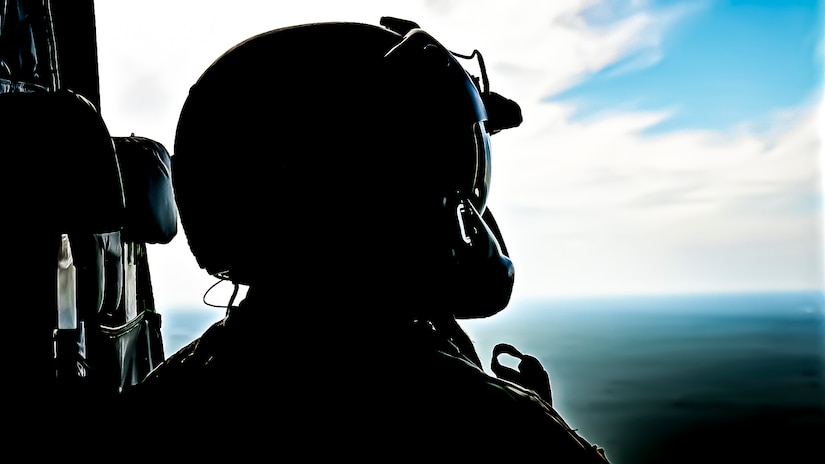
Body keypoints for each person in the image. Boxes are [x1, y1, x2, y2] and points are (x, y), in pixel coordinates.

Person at [121, 17, 610, 461]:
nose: (464, 203)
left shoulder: (167, 398)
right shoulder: (492, 428)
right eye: (427, 163)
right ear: (365, 185)